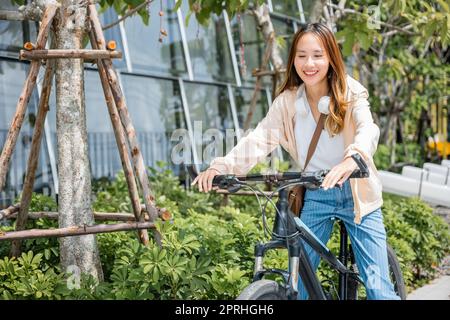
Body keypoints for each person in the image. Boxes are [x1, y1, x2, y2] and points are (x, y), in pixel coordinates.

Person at [191, 23, 400, 300]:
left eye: (317, 55)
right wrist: (222, 166)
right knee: (300, 288)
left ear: (330, 58)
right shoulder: (288, 102)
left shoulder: (350, 92)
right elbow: (260, 138)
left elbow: (368, 128)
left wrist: (354, 157)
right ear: (293, 60)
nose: (309, 63)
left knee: (378, 289)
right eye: (301, 55)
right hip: (317, 193)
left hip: (357, 193)